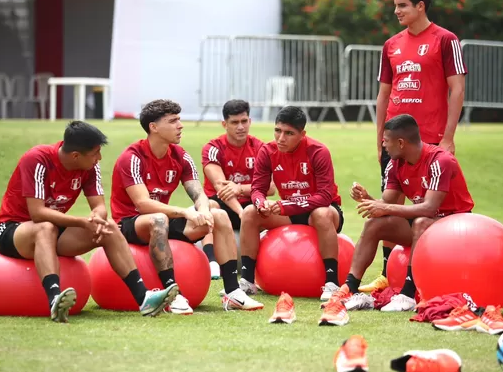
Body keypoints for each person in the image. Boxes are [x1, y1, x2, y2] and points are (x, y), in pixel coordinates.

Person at [0, 121, 177, 323]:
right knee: (44, 227)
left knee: (108, 227)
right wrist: (83, 222)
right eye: (95, 153)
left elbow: (99, 206)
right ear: (75, 156)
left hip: (54, 231)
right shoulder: (37, 159)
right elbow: (37, 213)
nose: (99, 158)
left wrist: (97, 218)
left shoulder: (90, 167)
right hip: (13, 230)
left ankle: (144, 298)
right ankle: (55, 299)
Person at [110, 99, 263, 314]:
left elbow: (198, 193)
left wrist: (202, 211)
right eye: (173, 121)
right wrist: (184, 212)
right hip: (130, 223)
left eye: (179, 120)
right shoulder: (133, 157)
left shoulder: (180, 156)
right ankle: (172, 294)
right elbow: (142, 204)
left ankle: (233, 292)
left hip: (163, 220)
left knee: (218, 215)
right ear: (153, 127)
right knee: (158, 219)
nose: (180, 125)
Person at [365, 0, 468, 294]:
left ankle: (428, 275)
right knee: (387, 204)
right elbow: (384, 94)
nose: (396, 11)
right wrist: (379, 135)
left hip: (429, 141)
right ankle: (385, 274)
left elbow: (457, 88)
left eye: (402, 5)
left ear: (421, 6)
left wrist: (448, 136)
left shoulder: (445, 40)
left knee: (431, 208)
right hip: (393, 141)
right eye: (395, 5)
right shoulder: (391, 44)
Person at [346, 114, 474, 312]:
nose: (384, 146)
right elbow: (387, 203)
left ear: (401, 142)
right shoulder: (395, 164)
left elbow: (430, 208)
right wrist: (367, 199)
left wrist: (385, 208)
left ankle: (407, 294)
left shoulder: (441, 161)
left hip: (457, 228)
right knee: (374, 224)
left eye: (386, 141)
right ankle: (350, 289)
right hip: (423, 227)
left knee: (421, 221)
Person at [238, 106, 344, 302]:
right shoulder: (267, 151)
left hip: (323, 211)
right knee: (250, 212)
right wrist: (261, 203)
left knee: (321, 213)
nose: (281, 138)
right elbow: (258, 189)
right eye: (277, 131)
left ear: (302, 134)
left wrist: (288, 206)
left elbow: (325, 196)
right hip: (288, 211)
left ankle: (331, 283)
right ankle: (246, 281)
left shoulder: (318, 151)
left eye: (289, 133)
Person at [200, 99, 274, 279]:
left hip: (250, 203)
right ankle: (211, 262)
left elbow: (271, 188)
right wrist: (241, 213)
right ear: (224, 124)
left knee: (272, 206)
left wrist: (240, 188)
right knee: (209, 206)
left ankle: (269, 266)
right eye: (234, 122)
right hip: (222, 204)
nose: (240, 127)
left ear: (250, 121)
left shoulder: (261, 148)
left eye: (244, 121)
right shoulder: (213, 148)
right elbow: (221, 187)